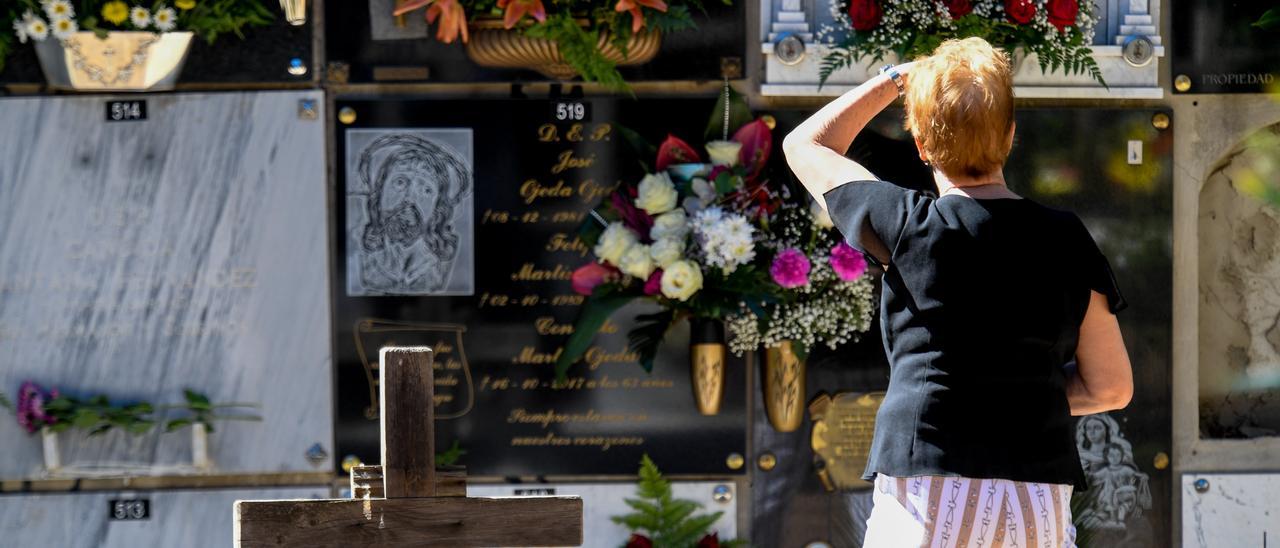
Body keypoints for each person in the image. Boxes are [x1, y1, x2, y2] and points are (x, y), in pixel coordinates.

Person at [783, 37, 1134, 547]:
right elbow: (1111, 388)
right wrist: (1022, 394)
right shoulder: (1066, 236)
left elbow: (804, 145)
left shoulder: (904, 223)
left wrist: (896, 79)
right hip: (1035, 494)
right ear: (1010, 136)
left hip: (924, 486)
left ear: (921, 147)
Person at [355, 134, 472, 294]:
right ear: (380, 195)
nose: (409, 198)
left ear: (437, 210)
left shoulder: (440, 265)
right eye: (400, 182)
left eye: (426, 190)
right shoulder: (358, 253)